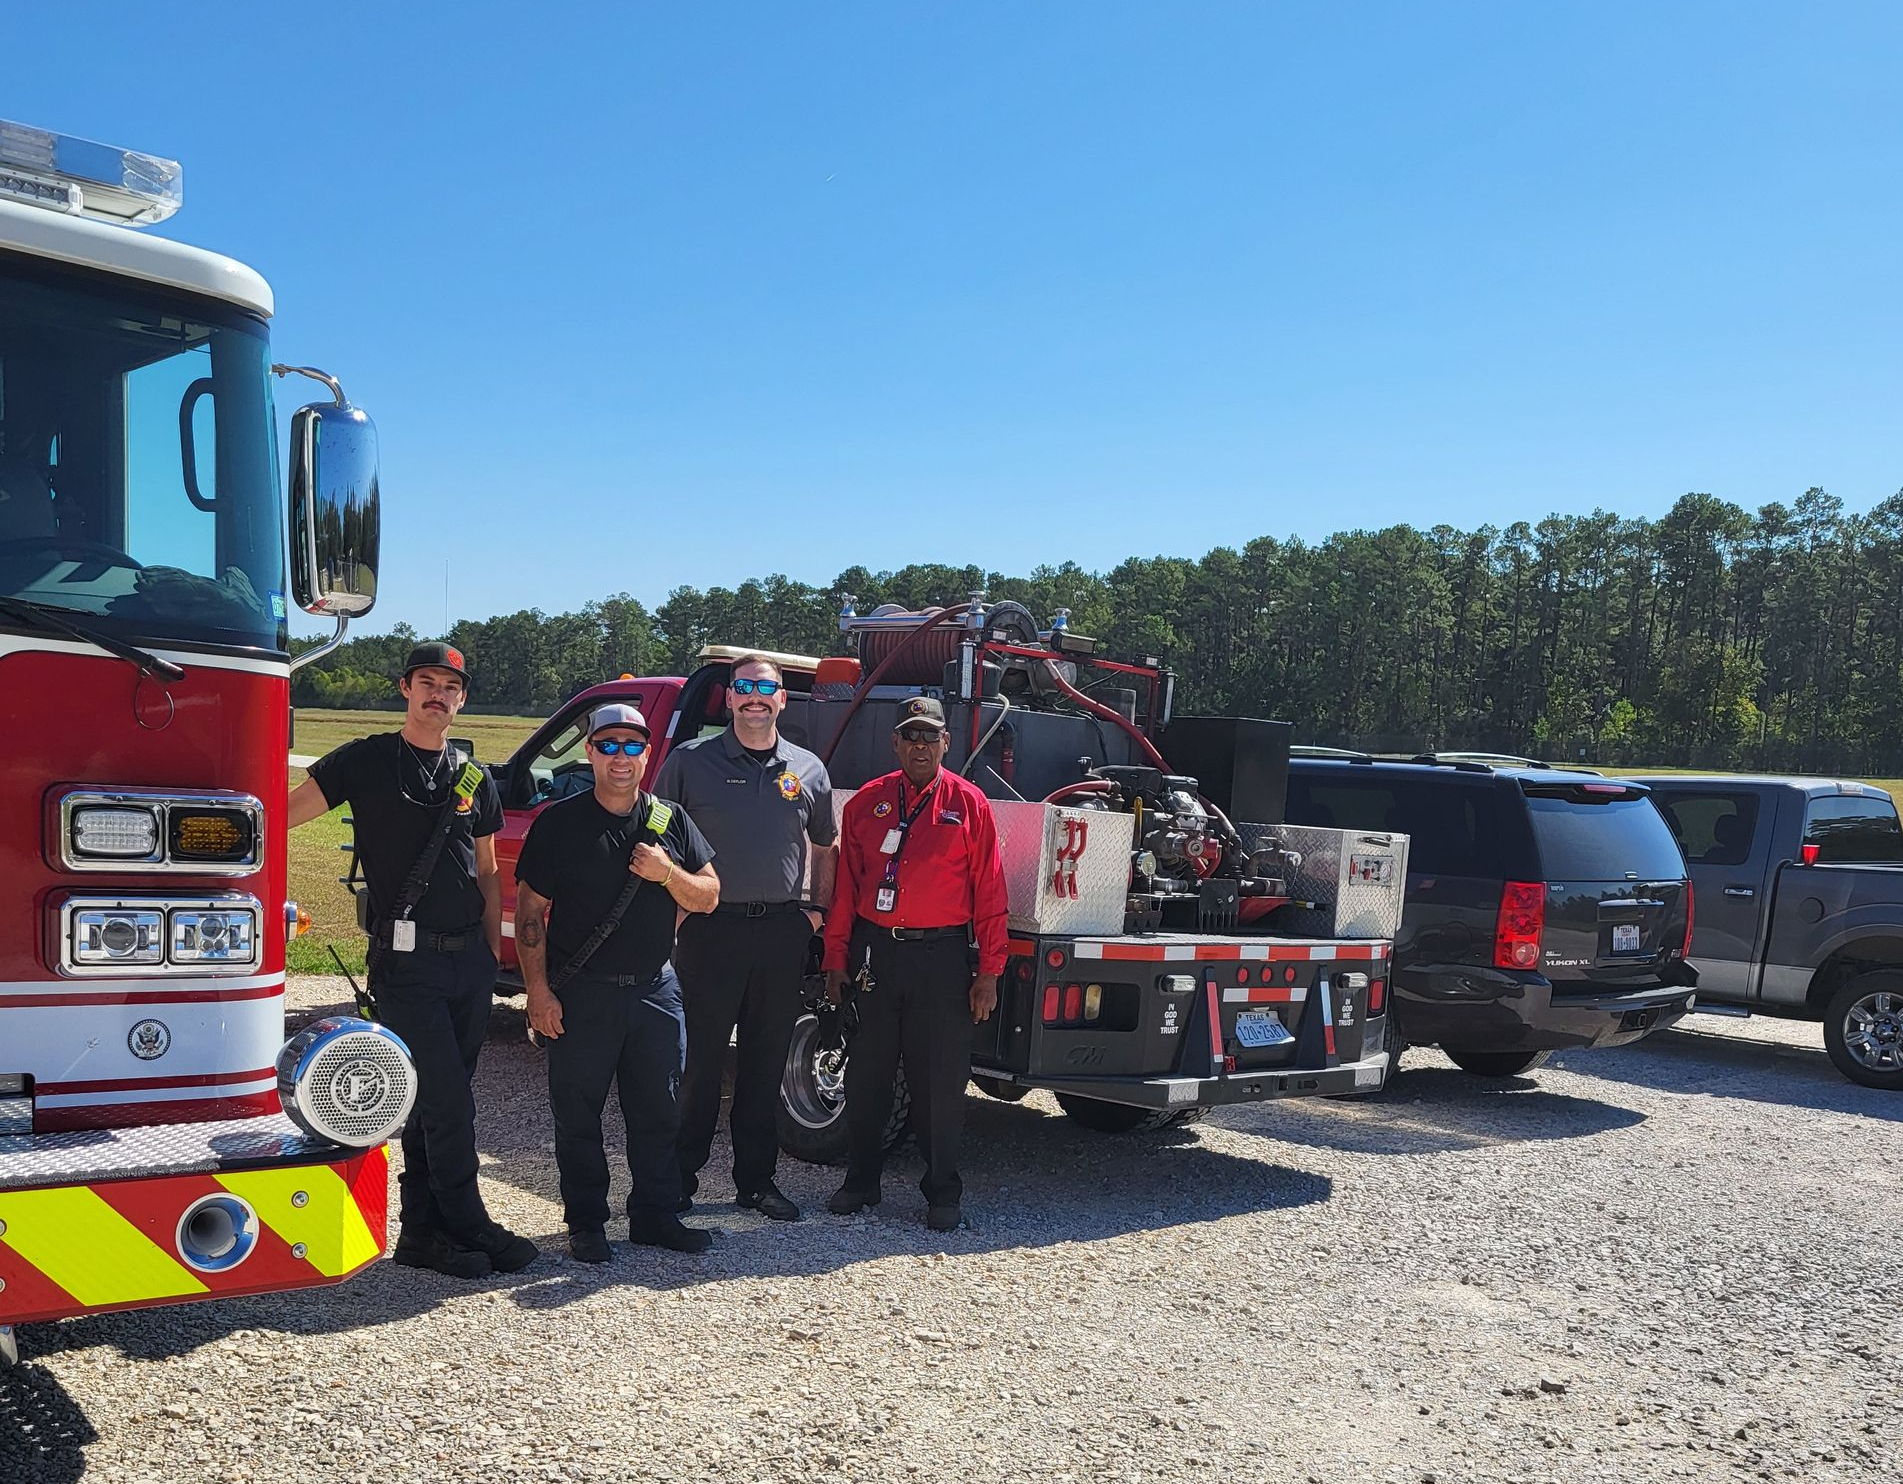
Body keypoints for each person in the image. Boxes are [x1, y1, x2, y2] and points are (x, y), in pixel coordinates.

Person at [288, 642, 538, 1280]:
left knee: (435, 1100)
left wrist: (488, 954)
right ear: (405, 688)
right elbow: (279, 816)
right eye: (427, 682)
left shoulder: (473, 776)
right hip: (406, 964)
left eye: (451, 687)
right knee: (449, 1102)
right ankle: (468, 1219)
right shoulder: (366, 760)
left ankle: (424, 1236)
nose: (439, 695)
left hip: (467, 966)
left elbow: (485, 870)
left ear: (462, 698)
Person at [514, 703, 721, 1262]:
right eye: (609, 745)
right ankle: (586, 1223)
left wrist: (667, 873)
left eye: (633, 746)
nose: (621, 757)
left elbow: (709, 895)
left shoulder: (668, 820)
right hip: (583, 992)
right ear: (590, 752)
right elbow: (530, 911)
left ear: (647, 754)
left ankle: (655, 1216)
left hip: (655, 991)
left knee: (658, 1112)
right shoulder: (560, 822)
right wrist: (538, 992)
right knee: (578, 1114)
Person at [653, 654, 836, 1223]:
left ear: (783, 700)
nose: (755, 697)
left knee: (764, 1061)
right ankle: (679, 1179)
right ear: (728, 698)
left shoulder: (808, 769)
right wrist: (675, 909)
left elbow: (824, 847)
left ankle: (756, 1183)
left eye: (767, 688)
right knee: (700, 1062)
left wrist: (815, 912)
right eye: (744, 688)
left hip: (780, 932)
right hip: (710, 929)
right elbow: (656, 835)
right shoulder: (690, 762)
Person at [821, 696, 1008, 1231]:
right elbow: (845, 891)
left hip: (942, 958)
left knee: (939, 1082)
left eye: (931, 737)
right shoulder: (865, 804)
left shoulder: (970, 804)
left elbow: (990, 892)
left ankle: (942, 1191)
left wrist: (989, 972)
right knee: (867, 1076)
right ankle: (861, 1182)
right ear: (895, 743)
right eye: (911, 736)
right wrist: (836, 959)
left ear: (947, 743)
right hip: (877, 954)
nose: (920, 746)